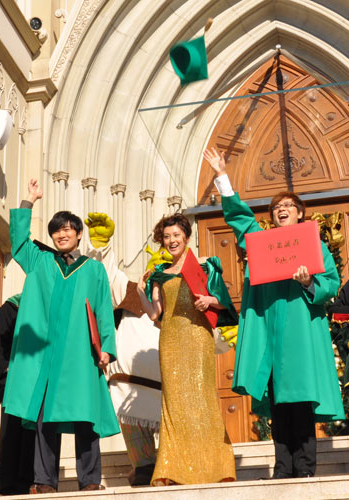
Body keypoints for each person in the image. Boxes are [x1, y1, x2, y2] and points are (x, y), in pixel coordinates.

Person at [203, 147, 345, 479]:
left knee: (300, 400)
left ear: (299, 214)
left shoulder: (314, 245)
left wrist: (309, 281)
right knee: (279, 404)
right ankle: (283, 467)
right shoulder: (262, 243)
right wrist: (222, 177)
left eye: (288, 207)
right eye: (277, 208)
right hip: (270, 332)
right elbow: (240, 218)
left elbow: (331, 284)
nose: (281, 210)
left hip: (300, 331)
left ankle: (306, 467)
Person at [2, 179, 120, 494]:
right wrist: (29, 199)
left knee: (86, 419)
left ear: (79, 234)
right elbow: (17, 242)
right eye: (57, 230)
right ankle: (44, 481)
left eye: (68, 228)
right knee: (44, 420)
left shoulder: (93, 270)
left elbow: (103, 311)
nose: (62, 233)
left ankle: (91, 480)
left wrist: (106, 348)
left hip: (80, 356)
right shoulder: (41, 261)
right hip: (46, 358)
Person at [137, 213, 238, 485]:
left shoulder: (206, 267)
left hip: (198, 338)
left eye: (176, 235)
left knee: (202, 399)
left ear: (187, 237)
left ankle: (218, 467)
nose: (171, 240)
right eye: (167, 236)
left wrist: (209, 300)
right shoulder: (159, 275)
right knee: (174, 402)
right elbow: (155, 314)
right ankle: (173, 469)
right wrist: (140, 291)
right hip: (170, 341)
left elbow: (225, 304)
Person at [85, 213, 164, 486]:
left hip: (169, 383)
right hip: (129, 383)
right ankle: (143, 468)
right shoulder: (130, 292)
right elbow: (106, 272)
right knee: (136, 431)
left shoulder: (180, 299)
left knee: (171, 433)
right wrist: (101, 244)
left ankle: (168, 467)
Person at [0, 294, 37, 496]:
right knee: (11, 431)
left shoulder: (45, 309)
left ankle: (33, 480)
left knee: (35, 434)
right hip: (13, 382)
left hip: (37, 382)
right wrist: (6, 369)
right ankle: (9, 482)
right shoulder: (10, 308)